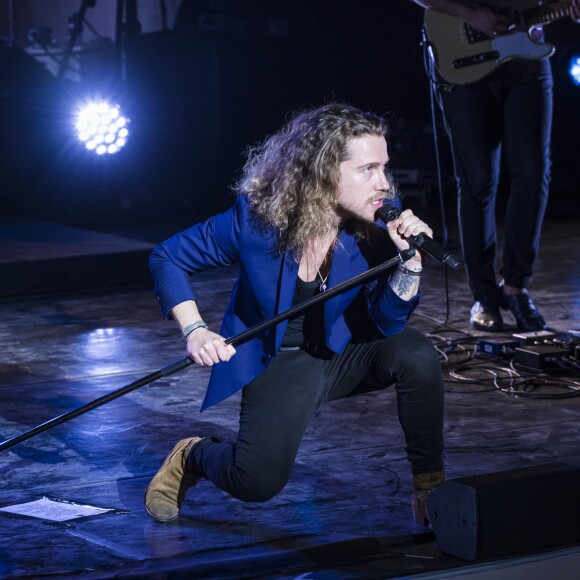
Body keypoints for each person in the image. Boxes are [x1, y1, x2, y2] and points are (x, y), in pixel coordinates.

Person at [145, 103, 445, 527]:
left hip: (345, 350)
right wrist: (194, 329)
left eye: (385, 168)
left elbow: (387, 324)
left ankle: (431, 490)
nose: (384, 184)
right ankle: (192, 454)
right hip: (282, 359)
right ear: (324, 171)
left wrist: (410, 264)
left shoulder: (379, 222)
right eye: (368, 169)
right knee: (256, 482)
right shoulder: (256, 221)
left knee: (416, 355)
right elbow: (167, 257)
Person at [411, 0, 580, 331]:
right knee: (478, 182)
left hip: (526, 62)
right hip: (463, 58)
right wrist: (469, 13)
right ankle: (484, 297)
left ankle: (516, 286)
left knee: (533, 173)